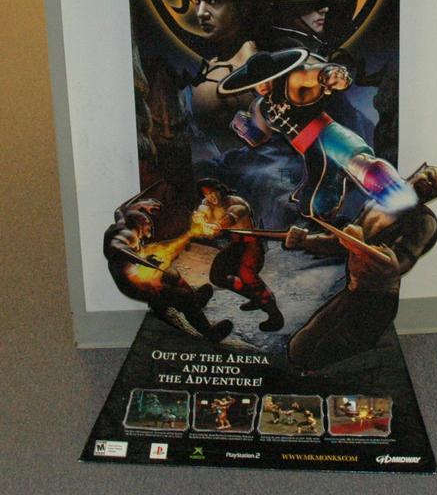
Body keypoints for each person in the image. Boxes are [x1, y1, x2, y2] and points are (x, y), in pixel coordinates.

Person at [219, 49, 417, 224]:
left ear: (276, 73)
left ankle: (400, 195)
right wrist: (244, 128)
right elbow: (259, 139)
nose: (262, 85)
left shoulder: (292, 80)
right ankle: (334, 207)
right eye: (257, 82)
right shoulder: (260, 107)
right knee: (315, 204)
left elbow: (311, 74)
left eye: (266, 78)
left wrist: (329, 74)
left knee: (360, 163)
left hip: (327, 135)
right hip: (310, 152)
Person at [284, 164, 437, 370]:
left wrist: (358, 243)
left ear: (433, 196)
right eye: (429, 176)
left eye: (434, 187)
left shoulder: (424, 222)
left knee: (324, 355)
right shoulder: (377, 203)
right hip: (352, 293)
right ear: (418, 170)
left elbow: (394, 266)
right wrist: (305, 240)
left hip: (377, 302)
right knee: (299, 347)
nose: (428, 184)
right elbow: (340, 242)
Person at [103, 194, 233, 342]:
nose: (150, 226)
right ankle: (209, 332)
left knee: (171, 273)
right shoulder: (127, 234)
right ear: (139, 223)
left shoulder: (126, 223)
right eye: (147, 223)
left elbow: (120, 210)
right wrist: (142, 261)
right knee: (182, 296)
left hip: (138, 272)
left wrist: (141, 205)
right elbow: (116, 246)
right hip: (134, 284)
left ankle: (194, 300)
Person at [186, 0, 270, 153]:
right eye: (197, 2)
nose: (201, 13)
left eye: (213, 1)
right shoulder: (211, 69)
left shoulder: (250, 71)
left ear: (243, 5)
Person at [192, 178, 284, 332]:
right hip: (236, 245)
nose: (211, 197)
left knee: (247, 275)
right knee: (217, 276)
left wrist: (216, 225)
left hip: (251, 244)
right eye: (207, 194)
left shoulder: (237, 203)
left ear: (220, 189)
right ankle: (255, 298)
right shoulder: (207, 203)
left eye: (213, 192)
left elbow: (231, 216)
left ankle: (275, 315)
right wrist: (199, 217)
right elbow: (203, 209)